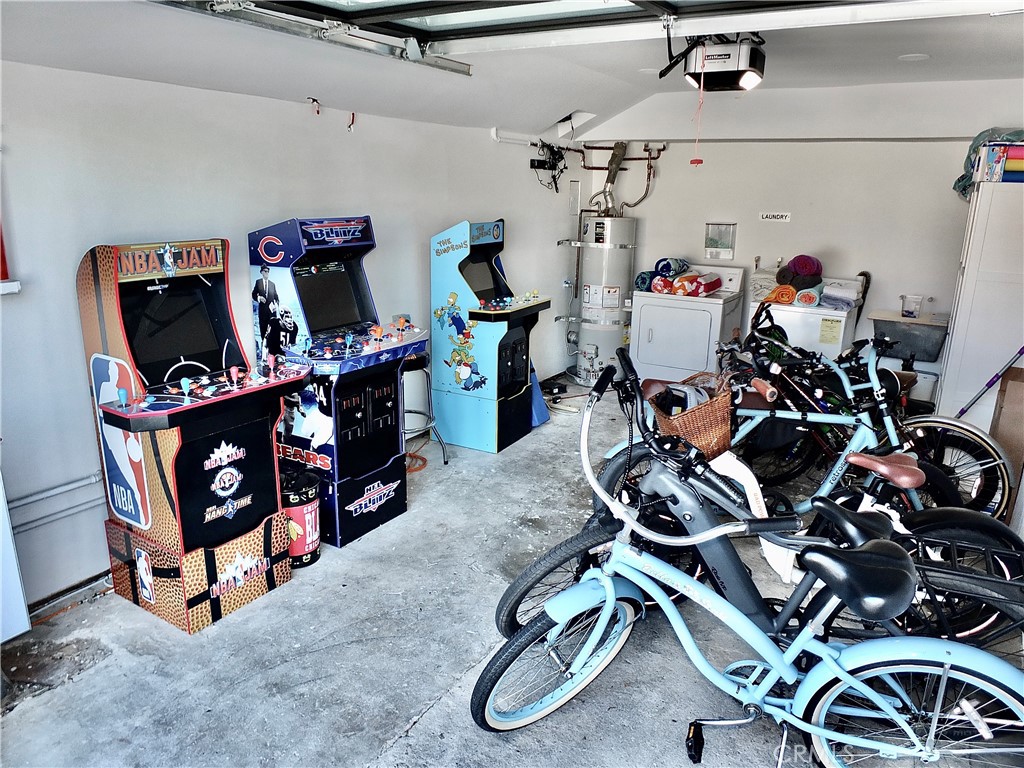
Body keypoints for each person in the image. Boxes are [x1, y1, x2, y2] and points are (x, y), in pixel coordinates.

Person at [252, 265, 279, 340]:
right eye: (265, 271)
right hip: (262, 312)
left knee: (273, 331)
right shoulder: (258, 282)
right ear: (262, 272)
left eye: (268, 271)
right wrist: (259, 298)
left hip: (272, 313)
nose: (267, 273)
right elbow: (253, 294)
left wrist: (276, 305)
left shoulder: (272, 284)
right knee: (263, 331)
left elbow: (276, 297)